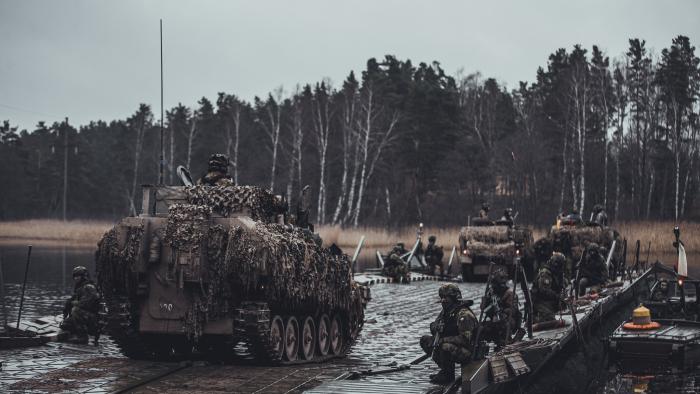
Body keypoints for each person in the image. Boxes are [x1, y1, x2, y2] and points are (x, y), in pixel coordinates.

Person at [420, 284, 479, 384]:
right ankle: (446, 371)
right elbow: (435, 325)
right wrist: (436, 327)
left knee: (444, 346)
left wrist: (443, 340)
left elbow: (465, 339)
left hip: (469, 351)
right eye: (441, 297)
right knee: (425, 340)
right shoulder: (446, 312)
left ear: (453, 298)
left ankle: (447, 376)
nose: (443, 301)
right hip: (452, 346)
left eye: (446, 297)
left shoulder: (463, 314)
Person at [480, 269, 521, 348]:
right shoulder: (491, 292)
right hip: (494, 319)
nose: (493, 286)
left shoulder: (509, 293)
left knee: (501, 322)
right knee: (482, 327)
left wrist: (501, 310)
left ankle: (506, 340)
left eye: (495, 284)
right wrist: (486, 299)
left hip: (508, 320)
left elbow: (513, 310)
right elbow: (483, 308)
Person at [60, 266, 101, 344]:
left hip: (94, 317)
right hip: (87, 315)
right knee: (65, 324)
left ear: (83, 276)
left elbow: (85, 303)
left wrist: (72, 303)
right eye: (75, 276)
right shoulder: (80, 287)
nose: (76, 278)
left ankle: (83, 337)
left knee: (75, 310)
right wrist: (68, 304)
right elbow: (73, 300)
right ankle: (78, 333)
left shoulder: (89, 287)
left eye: (78, 276)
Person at [531, 253, 566, 323]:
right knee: (549, 318)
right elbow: (544, 290)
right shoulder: (546, 273)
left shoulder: (558, 272)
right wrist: (557, 296)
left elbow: (561, 286)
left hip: (550, 299)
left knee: (564, 305)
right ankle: (535, 319)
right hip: (540, 301)